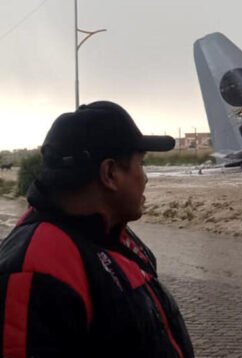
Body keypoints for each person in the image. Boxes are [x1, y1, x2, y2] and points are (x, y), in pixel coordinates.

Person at [0, 101, 194, 357]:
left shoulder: (111, 234)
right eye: (141, 164)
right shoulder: (35, 268)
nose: (145, 177)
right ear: (110, 173)